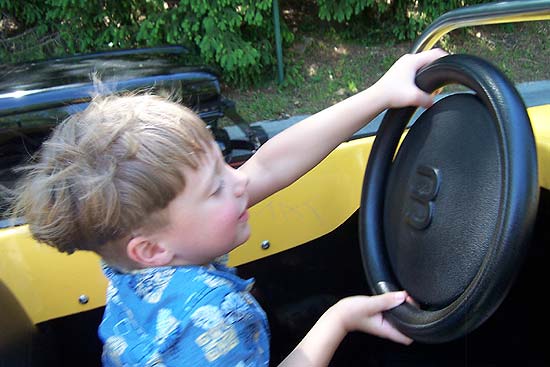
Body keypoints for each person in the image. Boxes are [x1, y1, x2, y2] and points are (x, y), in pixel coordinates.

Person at [12, 48, 446, 366]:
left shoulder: (139, 262)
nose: (241, 181)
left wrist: (379, 94)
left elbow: (271, 164)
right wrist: (340, 318)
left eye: (226, 167)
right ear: (150, 249)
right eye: (215, 188)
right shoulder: (212, 317)